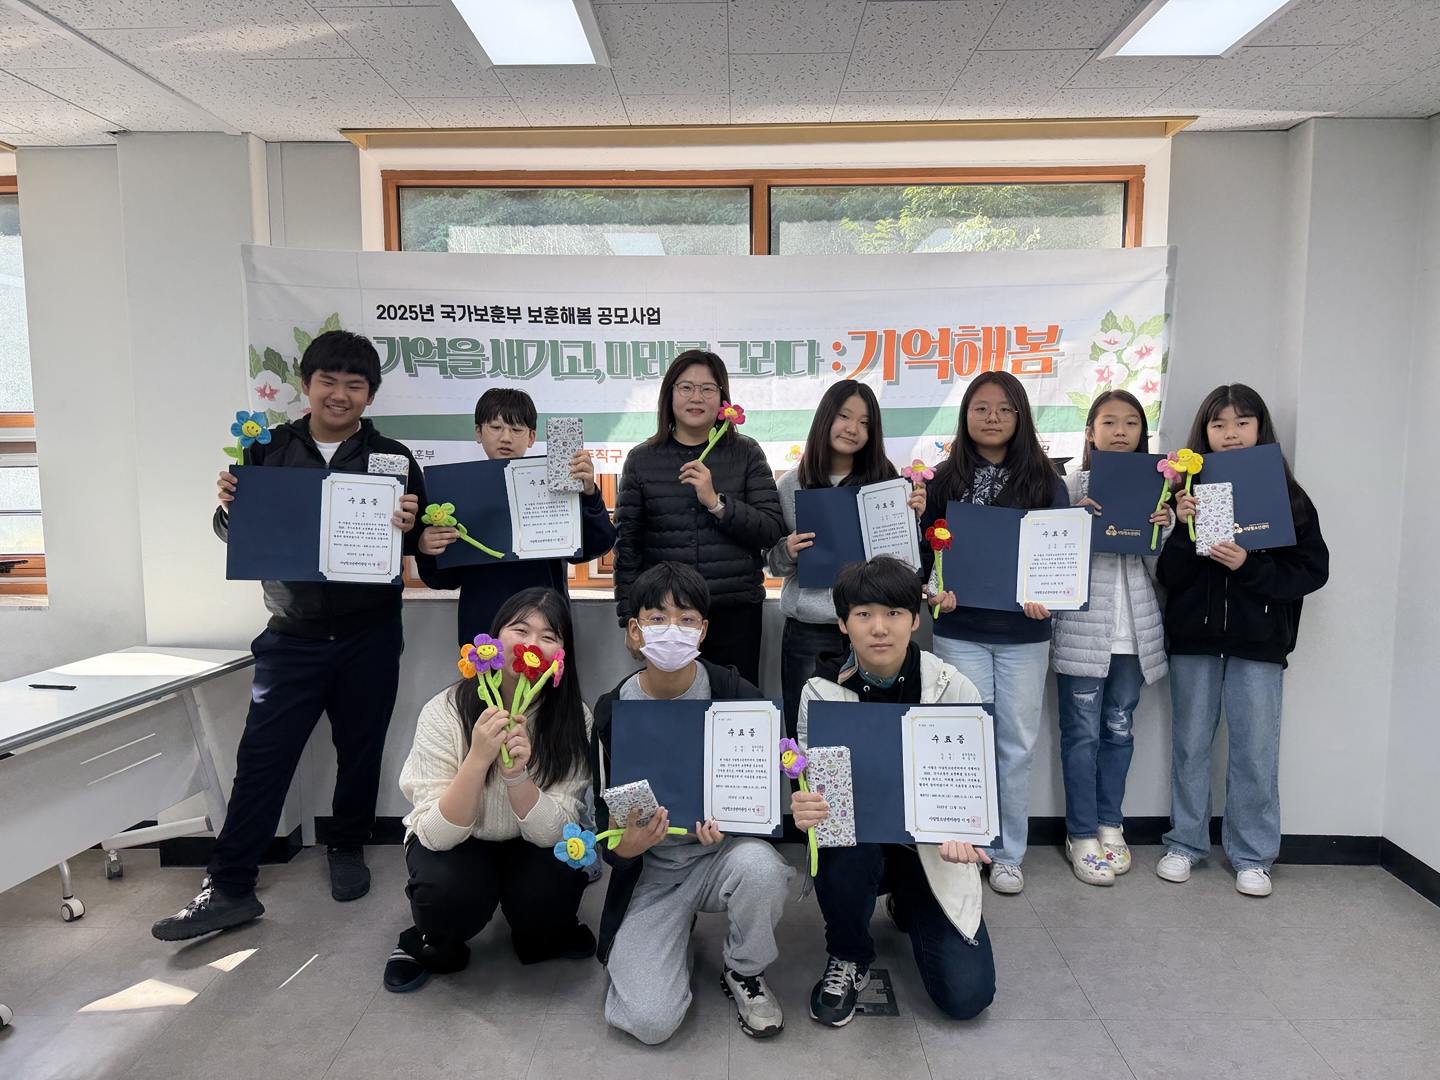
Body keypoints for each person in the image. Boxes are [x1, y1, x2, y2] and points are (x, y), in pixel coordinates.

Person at [153, 330, 425, 941]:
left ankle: (347, 846)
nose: (340, 394)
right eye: (328, 380)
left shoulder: (393, 458)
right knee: (262, 759)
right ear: (306, 385)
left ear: (370, 395)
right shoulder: (267, 449)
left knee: (361, 750)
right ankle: (229, 886)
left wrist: (410, 526)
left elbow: (413, 542)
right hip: (290, 633)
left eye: (355, 384)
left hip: (370, 632)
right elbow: (239, 534)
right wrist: (229, 510)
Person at [590, 561, 793, 1043]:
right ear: (635, 630)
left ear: (703, 630)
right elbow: (605, 827)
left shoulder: (735, 694)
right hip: (652, 873)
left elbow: (760, 793)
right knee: (649, 1022)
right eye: (657, 618)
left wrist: (737, 825)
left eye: (686, 619)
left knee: (763, 869)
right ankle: (670, 940)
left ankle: (744, 968)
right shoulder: (613, 711)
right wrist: (627, 847)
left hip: (720, 857)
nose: (672, 630)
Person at [793, 556, 996, 1026]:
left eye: (894, 613)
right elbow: (810, 782)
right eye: (863, 614)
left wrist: (969, 831)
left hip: (930, 851)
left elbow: (976, 782)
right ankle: (848, 953)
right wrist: (802, 804)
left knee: (967, 997)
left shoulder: (953, 689)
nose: (879, 628)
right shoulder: (819, 694)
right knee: (840, 838)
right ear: (843, 624)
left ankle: (908, 900)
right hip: (858, 847)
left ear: (915, 619)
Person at [1156, 384, 1328, 897]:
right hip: (1194, 640)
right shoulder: (1187, 491)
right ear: (1204, 434)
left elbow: (1312, 570)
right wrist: (1183, 529)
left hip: (1260, 641)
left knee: (1255, 751)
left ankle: (1253, 856)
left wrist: (1248, 566)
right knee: (1190, 746)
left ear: (1260, 429)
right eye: (1219, 425)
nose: (1230, 434)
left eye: (1242, 423)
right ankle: (1184, 844)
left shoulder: (1287, 495)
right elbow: (1170, 576)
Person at [381, 588, 596, 992]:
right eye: (520, 630)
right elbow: (437, 836)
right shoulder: (445, 710)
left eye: (549, 637)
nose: (532, 645)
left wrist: (516, 776)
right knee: (448, 894)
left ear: (561, 656)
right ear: (495, 639)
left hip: (529, 839)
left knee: (553, 891)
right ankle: (428, 942)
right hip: (458, 839)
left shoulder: (573, 718)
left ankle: (543, 931)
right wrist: (478, 759)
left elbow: (556, 833)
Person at [920, 371, 1068, 895]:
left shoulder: (1047, 481)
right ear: (965, 416)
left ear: (1021, 417)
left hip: (1024, 634)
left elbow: (1060, 553)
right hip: (960, 629)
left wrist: (1050, 594)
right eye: (981, 408)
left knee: (1015, 744)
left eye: (1005, 409)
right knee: (963, 741)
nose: (992, 418)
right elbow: (926, 553)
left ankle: (1007, 853)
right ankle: (963, 847)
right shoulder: (943, 480)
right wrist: (934, 590)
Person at [1051, 390, 1172, 886]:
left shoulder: (1159, 486)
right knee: (1081, 737)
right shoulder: (1067, 486)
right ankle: (1081, 833)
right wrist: (1072, 521)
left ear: (1143, 432)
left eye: (1131, 423)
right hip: (1082, 633)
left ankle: (1110, 825)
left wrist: (1163, 530)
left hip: (1135, 636)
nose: (1120, 431)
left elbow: (1164, 574)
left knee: (1119, 731)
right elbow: (1049, 562)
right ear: (1090, 432)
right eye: (1109, 422)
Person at [612, 349, 785, 686]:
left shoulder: (746, 453)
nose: (696, 397)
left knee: (734, 705)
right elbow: (627, 547)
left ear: (722, 398)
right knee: (671, 704)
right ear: (669, 395)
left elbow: (770, 530)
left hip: (734, 612)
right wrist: (629, 619)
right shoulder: (642, 460)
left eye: (708, 389)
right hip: (666, 618)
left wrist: (717, 503)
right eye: (686, 387)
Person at [765, 381, 924, 737]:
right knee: (808, 731)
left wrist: (913, 519)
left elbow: (905, 562)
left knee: (877, 729)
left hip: (873, 623)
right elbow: (771, 563)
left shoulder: (887, 483)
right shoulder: (792, 484)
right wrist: (788, 551)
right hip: (811, 628)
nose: (853, 428)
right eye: (844, 416)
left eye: (865, 423)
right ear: (825, 418)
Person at [418, 387, 615, 645]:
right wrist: (426, 548)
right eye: (495, 427)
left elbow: (596, 546)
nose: (506, 437)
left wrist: (589, 493)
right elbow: (444, 578)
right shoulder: (456, 492)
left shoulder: (555, 483)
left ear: (531, 437)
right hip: (483, 628)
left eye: (516, 429)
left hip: (543, 627)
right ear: (478, 432)